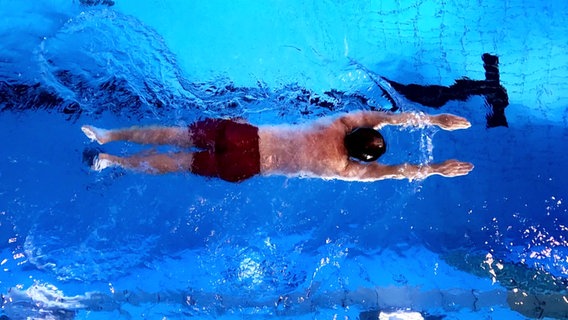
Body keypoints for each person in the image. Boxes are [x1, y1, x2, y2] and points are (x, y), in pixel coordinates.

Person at [81, 111, 474, 182]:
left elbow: (384, 117)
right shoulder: (344, 168)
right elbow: (393, 174)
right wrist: (436, 169)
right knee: (181, 163)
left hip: (245, 136)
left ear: (358, 131)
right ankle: (111, 161)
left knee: (175, 135)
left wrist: (435, 120)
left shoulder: (340, 123)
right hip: (249, 168)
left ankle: (108, 135)